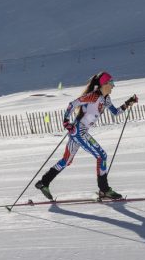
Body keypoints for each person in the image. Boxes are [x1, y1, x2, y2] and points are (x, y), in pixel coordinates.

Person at [34, 71, 138, 201]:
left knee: (66, 161)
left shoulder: (106, 99)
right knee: (101, 156)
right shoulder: (93, 96)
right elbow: (72, 104)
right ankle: (104, 190)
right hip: (79, 131)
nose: (113, 86)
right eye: (111, 83)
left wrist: (128, 103)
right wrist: (66, 122)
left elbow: (116, 112)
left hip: (77, 132)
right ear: (104, 84)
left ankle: (44, 182)